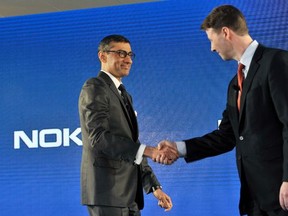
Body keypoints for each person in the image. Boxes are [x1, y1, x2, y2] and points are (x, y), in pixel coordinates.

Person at [158, 5, 288, 216]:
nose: (211, 48)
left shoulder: (276, 62)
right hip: (256, 200)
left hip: (283, 194)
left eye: (211, 39)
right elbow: (227, 136)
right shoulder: (234, 84)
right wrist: (179, 148)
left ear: (226, 32)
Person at [78, 34, 178, 216]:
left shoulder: (125, 95)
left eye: (130, 55)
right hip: (107, 194)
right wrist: (151, 150)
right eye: (121, 53)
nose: (128, 60)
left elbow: (132, 144)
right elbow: (99, 138)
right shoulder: (95, 87)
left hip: (129, 196)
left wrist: (154, 186)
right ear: (102, 56)